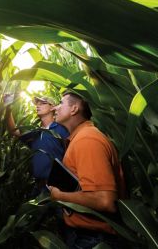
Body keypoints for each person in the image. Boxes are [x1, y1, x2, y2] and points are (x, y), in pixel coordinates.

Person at [49, 91, 127, 249]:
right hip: (88, 236)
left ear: (74, 109)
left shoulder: (87, 140)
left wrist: (60, 195)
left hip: (93, 239)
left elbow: (105, 201)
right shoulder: (81, 137)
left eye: (61, 103)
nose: (55, 108)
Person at [5, 95, 69, 197]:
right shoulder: (36, 133)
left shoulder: (61, 129)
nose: (38, 106)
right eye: (37, 104)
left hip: (58, 187)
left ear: (53, 107)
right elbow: (14, 132)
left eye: (43, 103)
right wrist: (8, 109)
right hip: (39, 187)